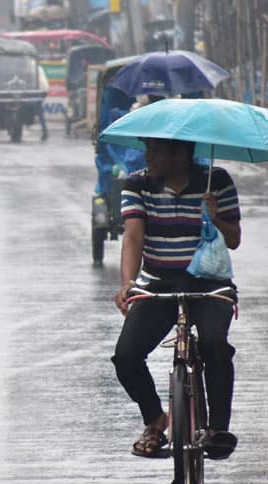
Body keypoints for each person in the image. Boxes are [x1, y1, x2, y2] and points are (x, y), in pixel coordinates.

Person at [112, 138, 241, 460]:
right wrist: (128, 284)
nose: (149, 157)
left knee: (215, 345)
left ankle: (217, 429)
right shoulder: (137, 184)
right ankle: (155, 419)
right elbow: (133, 236)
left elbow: (235, 239)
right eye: (148, 150)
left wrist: (216, 218)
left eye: (156, 151)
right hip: (157, 284)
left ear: (181, 154)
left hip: (209, 286)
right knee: (126, 356)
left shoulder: (218, 181)